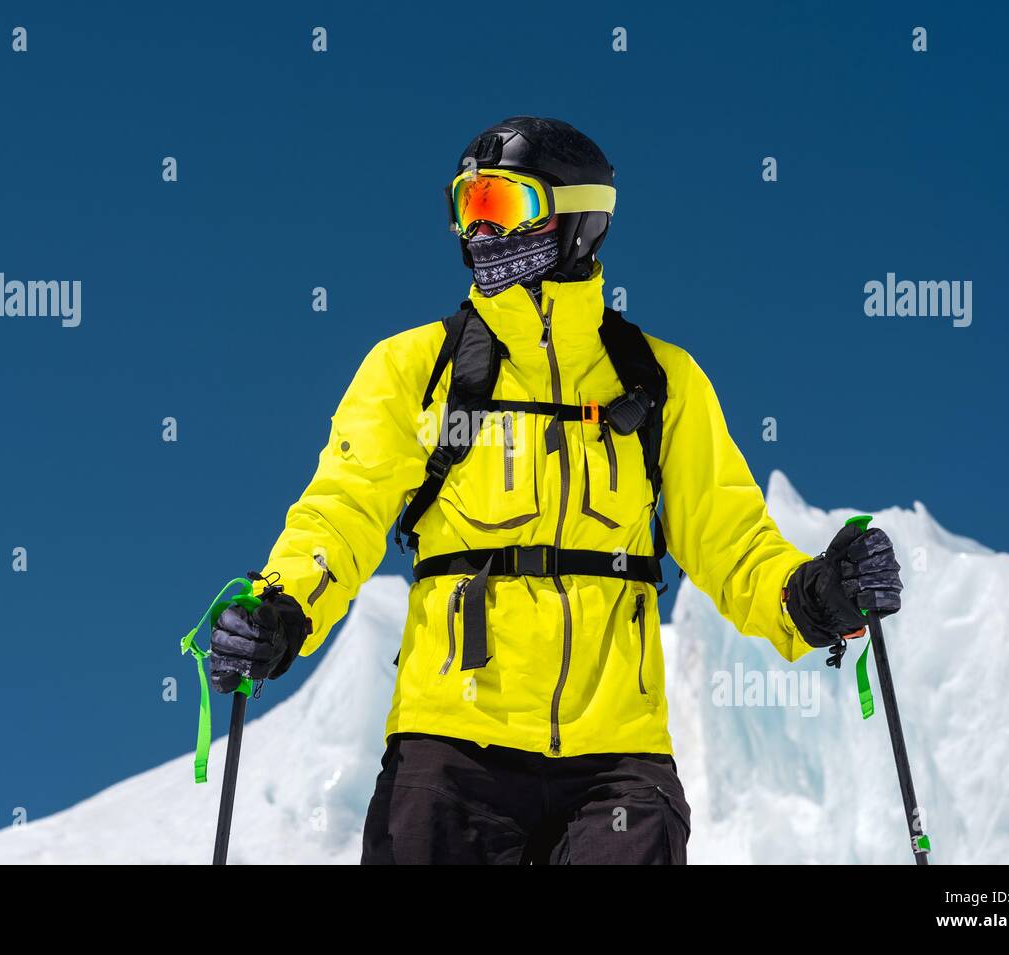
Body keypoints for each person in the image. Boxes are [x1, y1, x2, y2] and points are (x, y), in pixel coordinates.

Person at [207, 117, 903, 865]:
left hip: (617, 765)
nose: (475, 232)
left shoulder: (661, 383)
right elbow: (343, 509)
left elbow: (731, 540)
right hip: (450, 751)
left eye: (499, 207)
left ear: (575, 218)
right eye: (464, 207)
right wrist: (282, 602)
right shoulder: (412, 369)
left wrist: (815, 595)